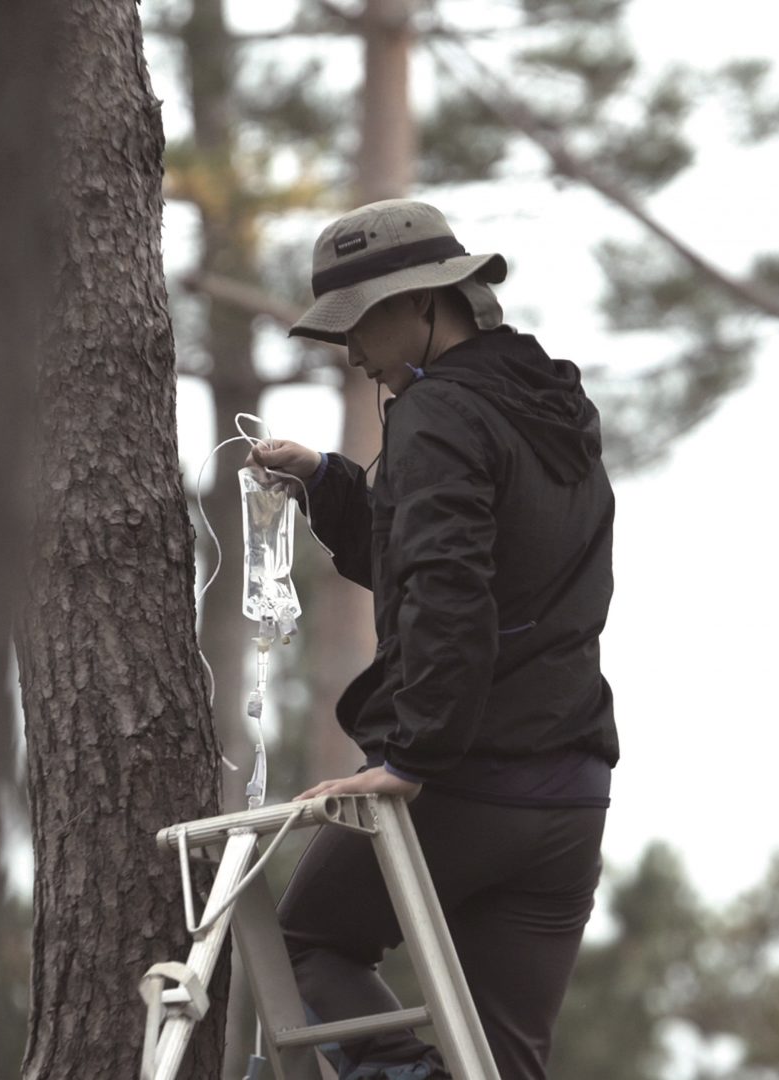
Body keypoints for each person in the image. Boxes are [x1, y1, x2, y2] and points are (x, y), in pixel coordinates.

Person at [247, 199, 618, 1080]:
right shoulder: (550, 408)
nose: (351, 353)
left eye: (362, 324)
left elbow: (448, 590)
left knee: (298, 944)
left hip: (465, 777)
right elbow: (454, 563)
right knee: (500, 1062)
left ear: (425, 304)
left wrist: (414, 758)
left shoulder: (436, 414)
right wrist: (329, 483)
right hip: (568, 798)